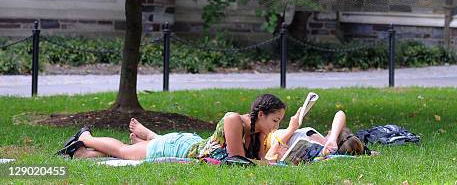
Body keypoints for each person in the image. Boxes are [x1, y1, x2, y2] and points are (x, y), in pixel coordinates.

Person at [57, 93, 290, 161]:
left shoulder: (259, 132)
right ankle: (85, 136)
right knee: (124, 153)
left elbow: (259, 162)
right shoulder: (233, 120)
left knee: (131, 153)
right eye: (275, 121)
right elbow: (237, 160)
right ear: (260, 114)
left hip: (191, 144)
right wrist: (270, 163)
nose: (275, 126)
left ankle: (81, 152)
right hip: (180, 147)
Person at [264, 109, 365, 161]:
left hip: (266, 141)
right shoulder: (324, 141)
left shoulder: (319, 151)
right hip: (268, 133)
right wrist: (333, 138)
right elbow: (340, 113)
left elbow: (270, 158)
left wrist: (291, 129)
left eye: (333, 132)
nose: (330, 131)